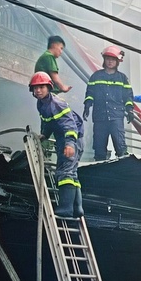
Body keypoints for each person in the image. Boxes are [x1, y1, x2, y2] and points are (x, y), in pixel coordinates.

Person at [29, 71, 84, 218]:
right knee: (72, 173)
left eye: (41, 87)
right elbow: (48, 122)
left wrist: (70, 144)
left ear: (49, 87)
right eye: (35, 88)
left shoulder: (57, 104)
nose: (38, 90)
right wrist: (45, 135)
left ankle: (66, 209)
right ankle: (77, 208)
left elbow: (70, 125)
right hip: (63, 140)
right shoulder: (41, 104)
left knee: (64, 173)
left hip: (71, 140)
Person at [82, 46, 134, 161]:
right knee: (99, 150)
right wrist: (87, 105)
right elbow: (90, 93)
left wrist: (130, 109)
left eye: (113, 59)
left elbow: (128, 96)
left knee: (121, 149)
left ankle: (122, 173)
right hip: (100, 117)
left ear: (117, 61)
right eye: (108, 59)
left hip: (116, 117)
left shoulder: (123, 78)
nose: (110, 61)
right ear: (104, 60)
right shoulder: (95, 76)